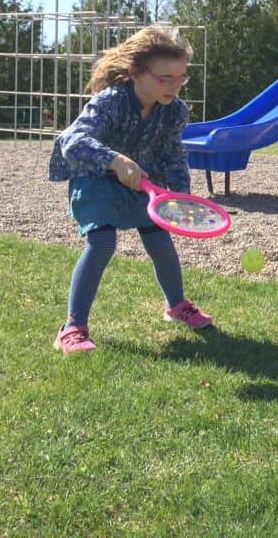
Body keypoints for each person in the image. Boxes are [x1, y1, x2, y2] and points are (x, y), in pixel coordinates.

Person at [49, 26, 213, 354]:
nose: (175, 86)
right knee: (102, 243)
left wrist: (181, 196)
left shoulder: (175, 110)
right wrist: (115, 161)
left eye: (181, 78)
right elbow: (71, 142)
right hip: (95, 181)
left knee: (160, 243)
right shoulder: (111, 101)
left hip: (144, 184)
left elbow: (172, 155)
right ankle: (72, 328)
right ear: (137, 73)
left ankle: (176, 306)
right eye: (165, 78)